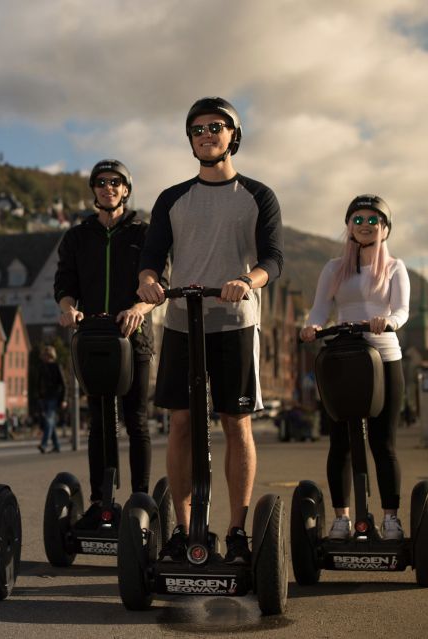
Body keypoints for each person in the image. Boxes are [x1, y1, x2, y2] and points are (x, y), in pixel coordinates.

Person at [138, 97, 284, 564]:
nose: (206, 134)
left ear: (233, 135)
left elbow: (273, 259)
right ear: (191, 138)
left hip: (234, 322)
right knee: (180, 423)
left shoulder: (258, 196)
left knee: (235, 422)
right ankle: (184, 532)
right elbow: (150, 262)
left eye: (216, 127)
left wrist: (248, 281)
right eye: (198, 128)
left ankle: (238, 532)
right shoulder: (171, 198)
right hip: (182, 322)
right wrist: (149, 282)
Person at [300, 194, 410, 541]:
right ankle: (342, 518)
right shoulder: (334, 268)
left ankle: (391, 518)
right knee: (341, 443)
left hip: (383, 357)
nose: (365, 225)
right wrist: (312, 327)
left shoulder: (395, 268)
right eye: (358, 219)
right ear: (349, 226)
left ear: (385, 227)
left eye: (372, 220)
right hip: (345, 357)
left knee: (383, 443)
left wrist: (388, 320)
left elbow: (402, 310)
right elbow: (320, 309)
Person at [54, 158, 155, 527]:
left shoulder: (144, 234)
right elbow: (65, 285)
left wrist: (138, 309)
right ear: (94, 189)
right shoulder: (78, 237)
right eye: (100, 182)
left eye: (115, 182)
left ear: (126, 189)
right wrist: (70, 311)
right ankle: (101, 502)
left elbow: (158, 284)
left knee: (136, 420)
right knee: (99, 423)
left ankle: (140, 500)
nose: (107, 187)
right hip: (95, 340)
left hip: (134, 339)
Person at [37, 345, 65, 454]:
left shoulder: (57, 366)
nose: (43, 357)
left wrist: (63, 399)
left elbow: (63, 384)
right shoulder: (42, 367)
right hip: (44, 398)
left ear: (49, 355)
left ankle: (44, 444)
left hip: (54, 397)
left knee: (48, 420)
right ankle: (57, 446)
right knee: (50, 422)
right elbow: (38, 383)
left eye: (44, 355)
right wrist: (39, 397)